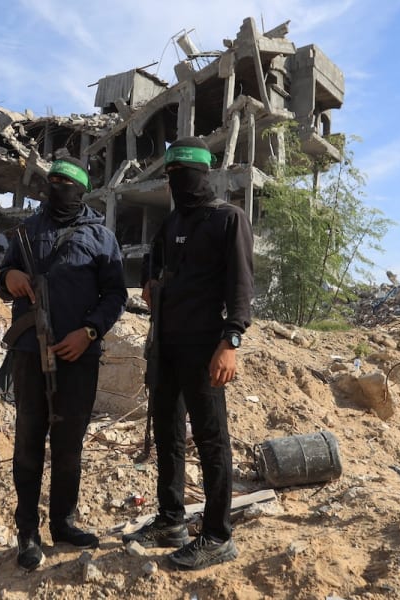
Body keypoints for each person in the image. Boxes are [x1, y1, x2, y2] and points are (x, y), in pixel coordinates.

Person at [123, 137, 254, 570]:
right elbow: (152, 260)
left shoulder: (227, 219)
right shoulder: (171, 222)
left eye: (184, 174)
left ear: (203, 174)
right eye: (171, 175)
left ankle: (217, 535)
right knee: (168, 435)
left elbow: (241, 288)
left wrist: (230, 342)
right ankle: (170, 520)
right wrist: (149, 281)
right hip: (166, 345)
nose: (177, 182)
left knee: (212, 440)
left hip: (205, 347)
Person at [0, 157, 127, 570]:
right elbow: (2, 280)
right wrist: (10, 278)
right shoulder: (27, 231)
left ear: (81, 190)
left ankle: (63, 523)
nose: (57, 187)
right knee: (28, 442)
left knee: (69, 444)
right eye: (52, 181)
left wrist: (89, 332)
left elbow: (115, 295)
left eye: (65, 183)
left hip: (77, 356)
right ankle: (27, 532)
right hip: (29, 353)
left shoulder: (101, 237)